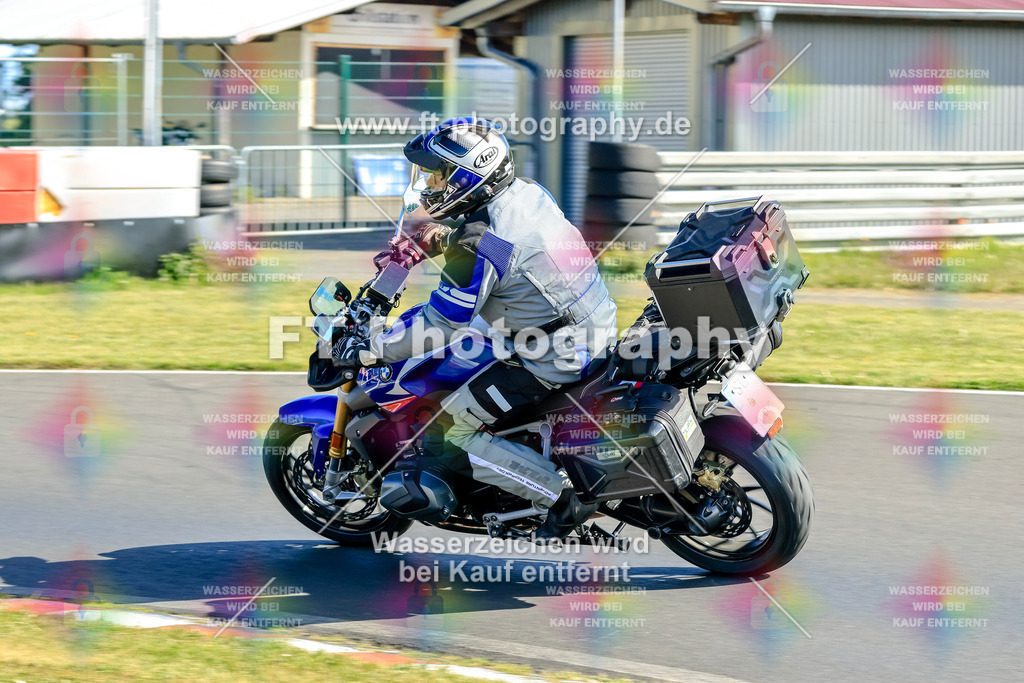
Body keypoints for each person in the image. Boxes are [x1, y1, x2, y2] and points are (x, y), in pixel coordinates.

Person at [333, 117, 618, 541]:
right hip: (591, 322)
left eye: (438, 173)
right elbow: (504, 248)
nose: (429, 184)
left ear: (467, 177)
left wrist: (371, 349)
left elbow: (439, 325)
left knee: (453, 429)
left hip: (553, 357)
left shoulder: (478, 248)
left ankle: (559, 500)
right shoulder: (527, 194)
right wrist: (444, 238)